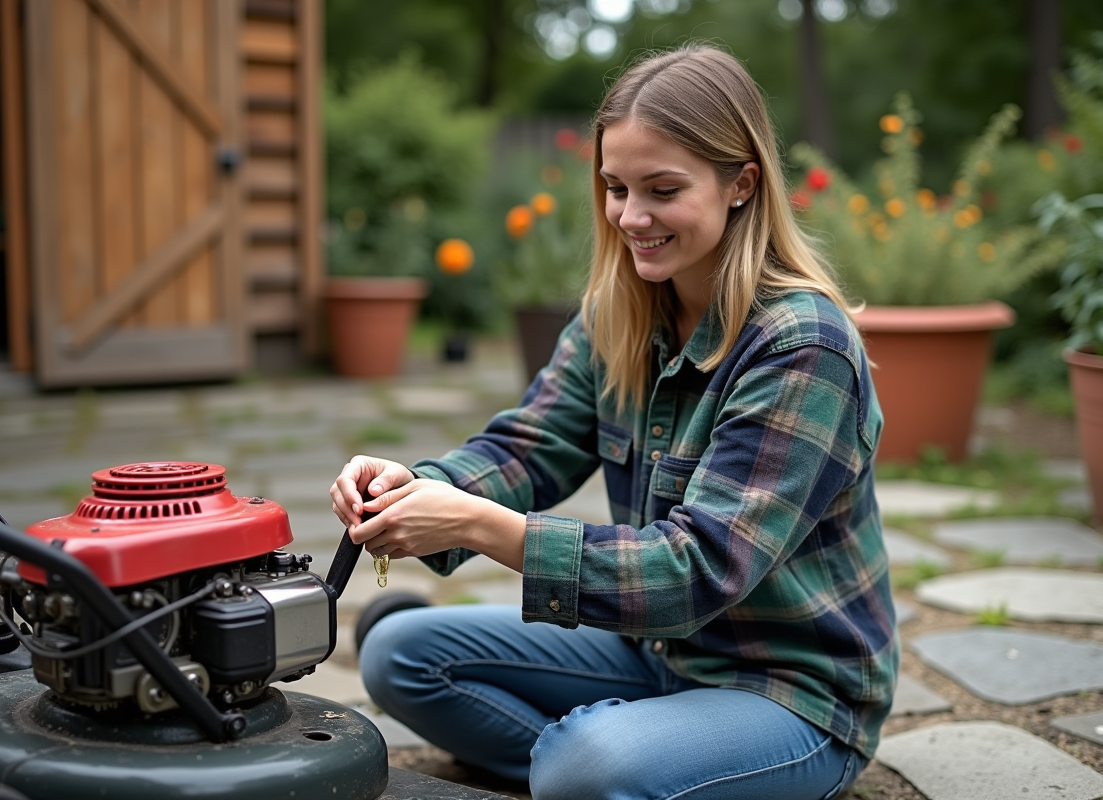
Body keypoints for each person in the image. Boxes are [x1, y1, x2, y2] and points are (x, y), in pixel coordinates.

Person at [331, 43, 897, 800]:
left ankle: (616, 765)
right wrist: (418, 486)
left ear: (742, 184)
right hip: (657, 654)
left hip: (791, 694)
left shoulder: (803, 347)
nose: (632, 217)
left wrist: (479, 527)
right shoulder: (619, 315)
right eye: (615, 187)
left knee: (586, 764)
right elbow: (530, 448)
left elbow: (696, 571)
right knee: (398, 652)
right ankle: (638, 765)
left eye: (662, 189)